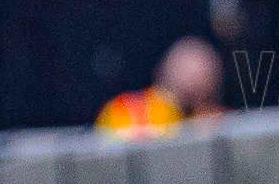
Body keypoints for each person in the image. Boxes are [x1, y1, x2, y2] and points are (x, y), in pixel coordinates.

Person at [95, 37, 225, 138]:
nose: (197, 80)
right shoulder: (126, 110)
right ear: (165, 70)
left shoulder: (215, 120)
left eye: (207, 75)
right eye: (189, 71)